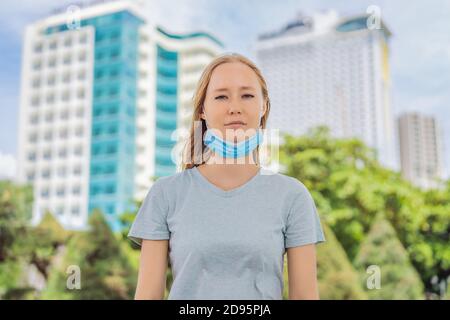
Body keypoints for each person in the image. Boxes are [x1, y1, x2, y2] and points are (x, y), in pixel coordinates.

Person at [128, 53, 326, 300]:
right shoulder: (165, 194)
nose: (235, 108)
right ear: (202, 110)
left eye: (247, 95)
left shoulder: (293, 196)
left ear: (263, 106)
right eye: (221, 96)